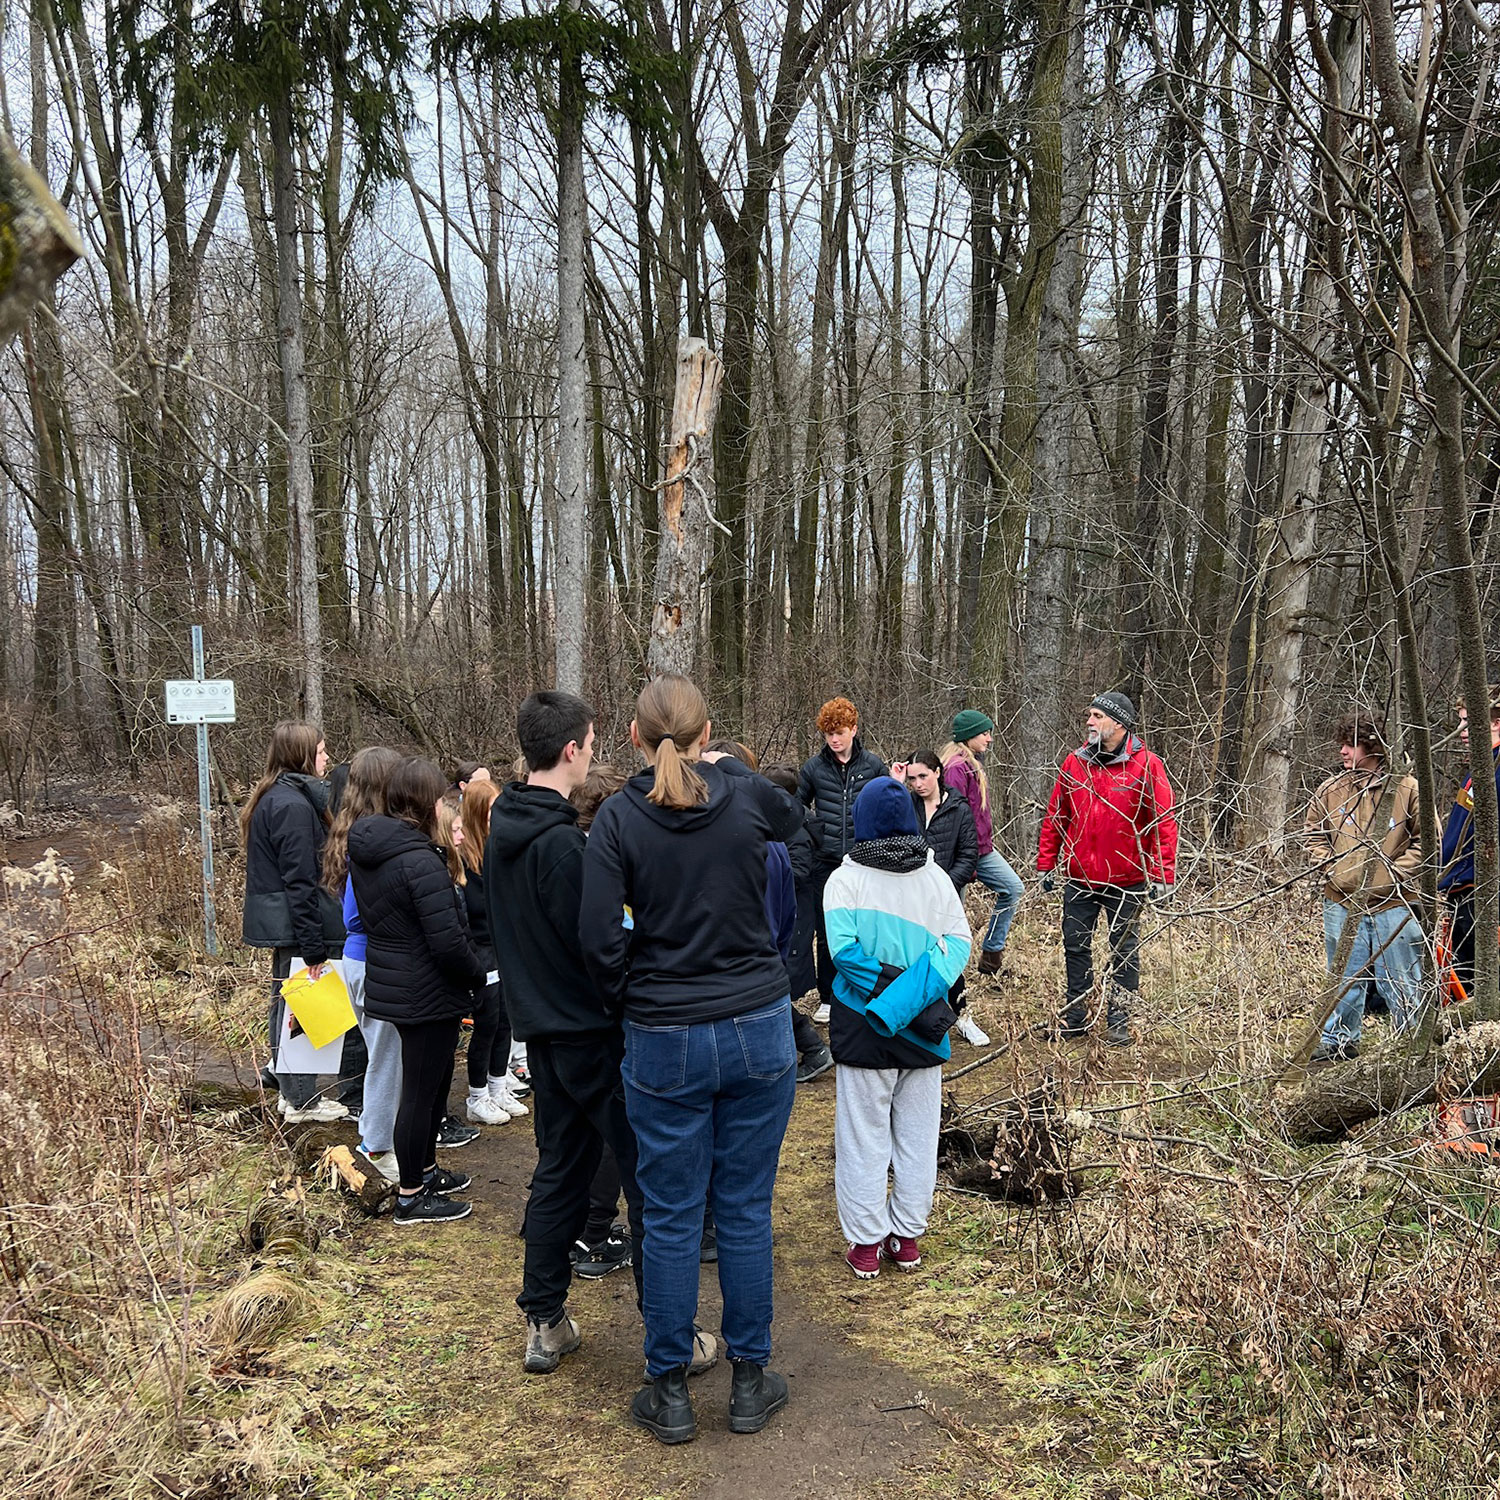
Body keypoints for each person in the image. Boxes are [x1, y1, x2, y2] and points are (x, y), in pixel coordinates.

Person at [581, 675, 804, 1446]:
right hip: (757, 1027)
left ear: (635, 742)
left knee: (671, 1216)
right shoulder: (742, 801)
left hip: (664, 1034)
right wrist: (726, 767)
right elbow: (796, 819)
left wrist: (630, 998)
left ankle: (670, 1387)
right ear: (707, 735)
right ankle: (748, 1381)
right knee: (743, 1208)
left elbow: (598, 939)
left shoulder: (616, 818)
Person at [485, 693, 665, 1375]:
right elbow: (596, 946)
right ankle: (665, 1328)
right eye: (591, 743)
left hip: (544, 1033)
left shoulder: (505, 825)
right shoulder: (561, 846)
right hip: (589, 1033)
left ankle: (544, 1319)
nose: (594, 754)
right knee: (643, 1174)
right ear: (571, 751)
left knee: (560, 1169)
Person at [824, 778, 972, 1278]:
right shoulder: (937, 881)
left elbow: (845, 955)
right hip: (927, 1030)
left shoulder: (843, 882)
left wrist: (890, 1006)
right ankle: (905, 1239)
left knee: (864, 1139)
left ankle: (866, 1246)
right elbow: (957, 946)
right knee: (916, 1138)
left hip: (865, 1029)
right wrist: (912, 1000)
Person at [349, 757, 487, 1226]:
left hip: (400, 982)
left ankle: (425, 1170)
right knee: (419, 1092)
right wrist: (477, 975)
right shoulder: (420, 861)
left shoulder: (374, 850)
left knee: (430, 1086)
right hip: (425, 989)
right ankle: (411, 1194)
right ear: (428, 803)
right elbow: (446, 940)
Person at [1036, 690, 1177, 1047]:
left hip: (1127, 878)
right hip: (1080, 877)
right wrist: (1046, 864)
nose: (1089, 722)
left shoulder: (1147, 765)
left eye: (1097, 716)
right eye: (1090, 715)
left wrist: (1163, 874)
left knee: (1124, 951)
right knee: (1075, 947)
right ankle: (1075, 1018)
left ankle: (1118, 1023)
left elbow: (1163, 821)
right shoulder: (1074, 763)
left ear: (1118, 723)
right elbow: (1057, 816)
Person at [241, 720, 348, 1123]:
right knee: (303, 1006)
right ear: (302, 756)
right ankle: (303, 1101)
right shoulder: (291, 805)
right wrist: (313, 944)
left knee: (287, 1001)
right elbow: (300, 881)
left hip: (287, 921)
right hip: (296, 921)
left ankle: (291, 1094)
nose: (326, 759)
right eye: (321, 751)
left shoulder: (279, 796)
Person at [1305, 713, 1423, 1064]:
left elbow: (1427, 842)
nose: (1342, 751)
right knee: (1343, 977)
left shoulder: (1407, 788)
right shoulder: (1331, 790)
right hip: (1341, 902)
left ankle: (1412, 1044)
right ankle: (1339, 1042)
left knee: (1401, 980)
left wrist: (1395, 875)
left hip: (1394, 905)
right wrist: (1332, 868)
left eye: (1350, 744)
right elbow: (1312, 832)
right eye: (1341, 743)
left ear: (1371, 746)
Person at [714, 744, 832, 1083]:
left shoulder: (777, 832)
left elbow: (792, 874)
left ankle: (810, 1048)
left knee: (767, 991)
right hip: (765, 928)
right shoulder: (763, 826)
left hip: (767, 926)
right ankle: (808, 1047)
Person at [323, 746, 405, 1180]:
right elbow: (355, 914)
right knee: (386, 1058)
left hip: (360, 960)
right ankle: (376, 1148)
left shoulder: (351, 830)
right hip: (371, 960)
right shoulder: (368, 840)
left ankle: (381, 1137)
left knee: (384, 1054)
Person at [798, 697, 889, 1024]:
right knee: (827, 931)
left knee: (865, 929)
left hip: (864, 862)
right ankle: (828, 996)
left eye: (839, 732)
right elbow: (795, 807)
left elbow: (886, 805)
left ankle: (864, 989)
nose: (834, 739)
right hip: (825, 863)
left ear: (853, 729)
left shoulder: (873, 766)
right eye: (827, 734)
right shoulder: (813, 768)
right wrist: (816, 830)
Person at [905, 750, 987, 1047]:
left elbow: (968, 854)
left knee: (947, 954)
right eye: (912, 778)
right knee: (912, 953)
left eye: (923, 776)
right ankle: (917, 1015)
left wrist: (944, 886)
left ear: (938, 772)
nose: (918, 783)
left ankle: (963, 1017)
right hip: (909, 892)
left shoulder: (958, 808)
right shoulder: (905, 804)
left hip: (947, 894)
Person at [459, 779, 529, 1125]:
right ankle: (477, 1095)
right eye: (489, 811)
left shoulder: (497, 850)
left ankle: (498, 1084)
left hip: (503, 948)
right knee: (486, 1024)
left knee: (505, 1021)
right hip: (481, 950)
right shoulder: (464, 860)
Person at [941, 710, 1024, 976]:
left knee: (1012, 888)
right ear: (969, 736)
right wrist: (965, 863)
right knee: (952, 915)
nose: (989, 739)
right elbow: (955, 819)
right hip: (960, 854)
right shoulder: (956, 768)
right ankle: (949, 974)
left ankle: (991, 959)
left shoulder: (972, 763)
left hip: (982, 850)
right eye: (984, 733)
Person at [1440, 686, 1500, 998]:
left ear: (1495, 723)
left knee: (1479, 971)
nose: (1461, 731)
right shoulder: (1481, 766)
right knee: (1461, 967)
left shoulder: (1497, 768)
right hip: (1460, 884)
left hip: (1483, 887)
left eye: (1467, 722)